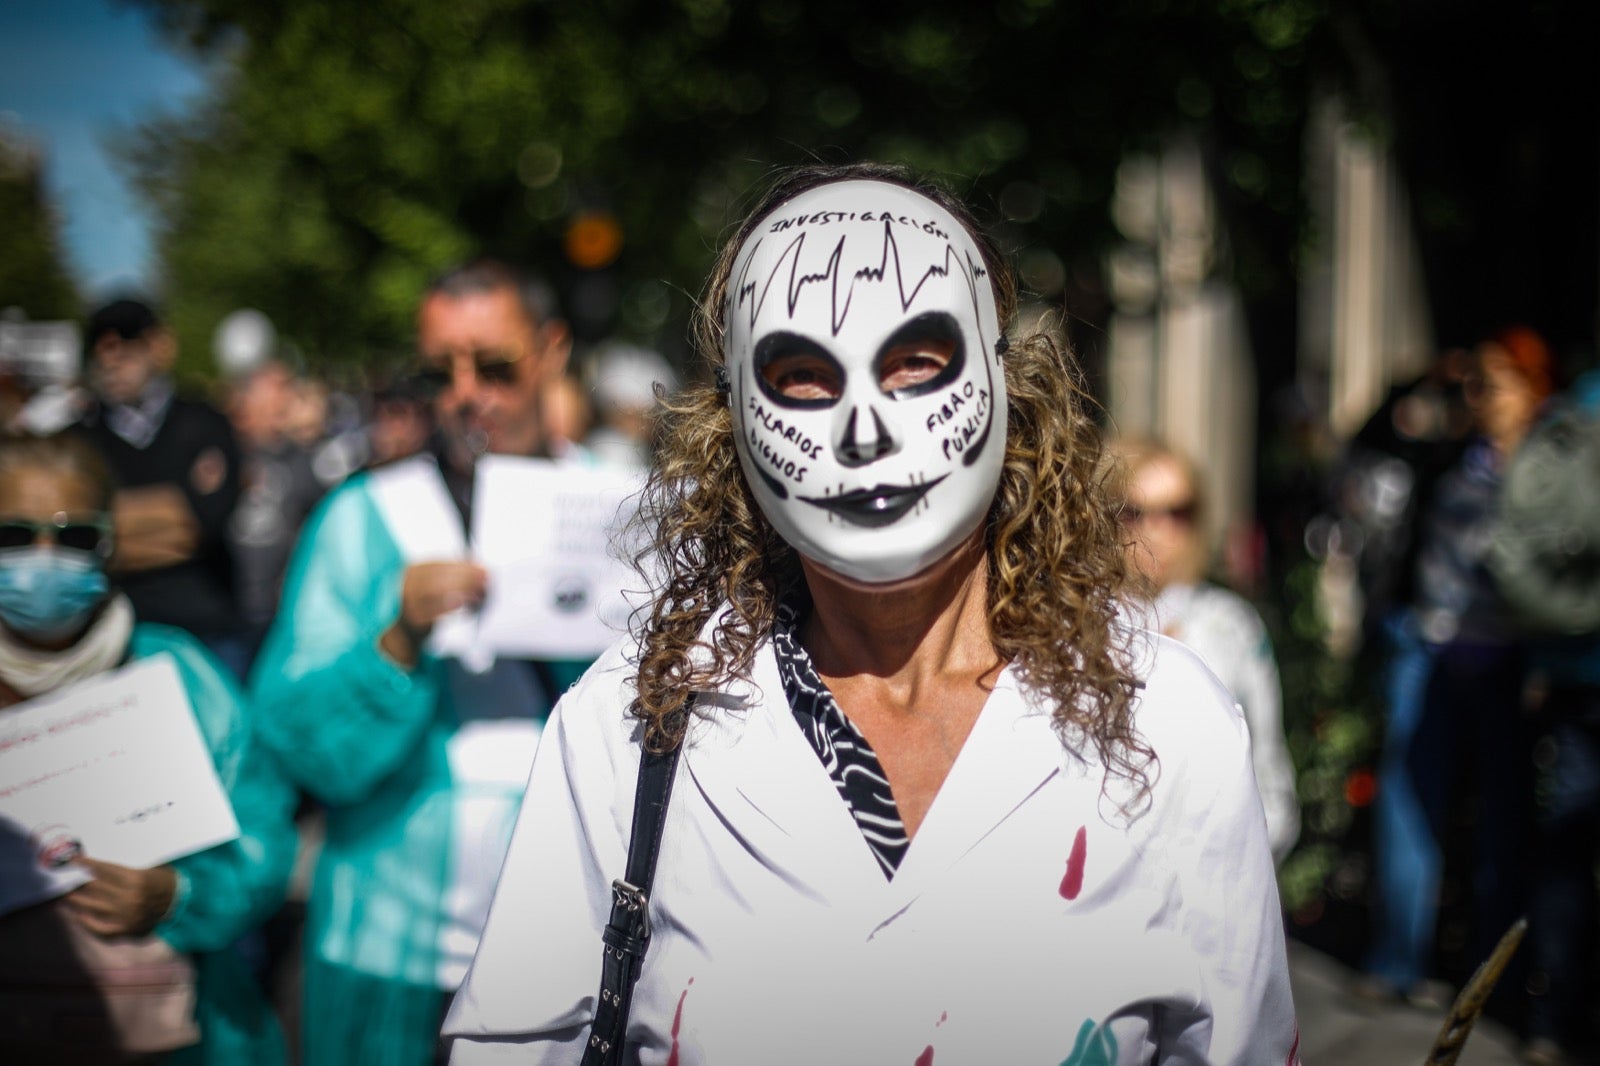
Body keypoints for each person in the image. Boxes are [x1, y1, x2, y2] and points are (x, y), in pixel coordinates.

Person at [444, 164, 1298, 1063]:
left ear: (1009, 387)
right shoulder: (632, 722)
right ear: (732, 414)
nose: (863, 431)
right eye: (803, 377)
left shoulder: (1162, 720)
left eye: (916, 364)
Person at [250, 258, 597, 1066]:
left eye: (496, 366)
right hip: (390, 953)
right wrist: (396, 641)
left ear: (551, 350)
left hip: (571, 957)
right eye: (441, 371)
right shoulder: (363, 516)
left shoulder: (615, 507)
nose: (468, 394)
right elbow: (293, 737)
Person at [0, 431, 296, 1064]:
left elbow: (265, 841)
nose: (44, 559)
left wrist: (178, 896)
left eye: (74, 537)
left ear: (109, 546)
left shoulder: (181, 675)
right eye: (16, 536)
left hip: (179, 1034)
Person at [1357, 325, 1554, 1011]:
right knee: (1410, 807)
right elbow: (1371, 438)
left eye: (1495, 383)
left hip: (1511, 660)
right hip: (1428, 646)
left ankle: (1487, 978)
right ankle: (1398, 961)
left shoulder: (1554, 468)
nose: (1482, 396)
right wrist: (1427, 378)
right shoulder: (1448, 454)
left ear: (1534, 390)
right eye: (1476, 382)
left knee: (1504, 817)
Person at [1107, 435, 1301, 865]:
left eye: (1177, 512)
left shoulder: (1232, 627)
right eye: (1135, 513)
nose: (1157, 531)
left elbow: (1268, 771)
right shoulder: (1076, 628)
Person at [75, 298, 249, 680]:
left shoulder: (207, 421)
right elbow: (80, 538)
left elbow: (206, 523)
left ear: (159, 346)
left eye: (126, 345)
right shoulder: (79, 439)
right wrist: (171, 508)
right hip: (118, 637)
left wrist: (117, 520)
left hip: (210, 631)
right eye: (101, 349)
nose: (111, 360)